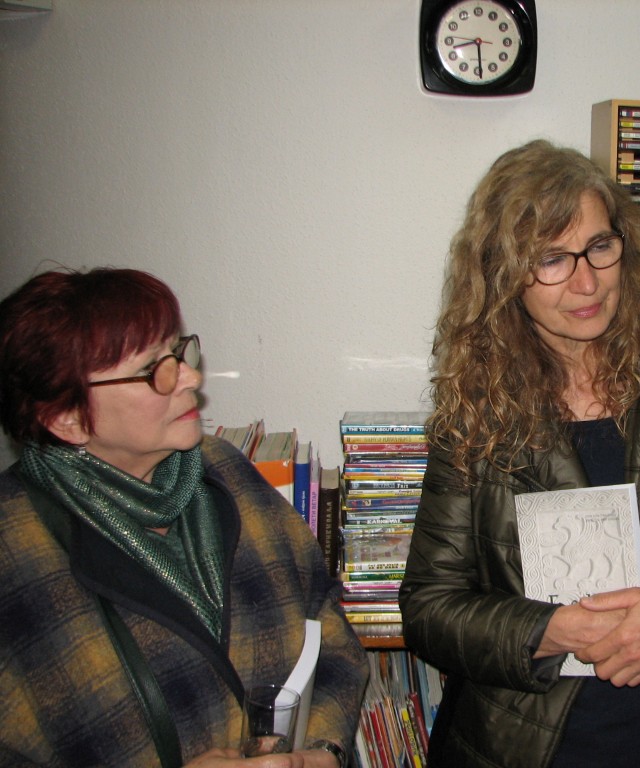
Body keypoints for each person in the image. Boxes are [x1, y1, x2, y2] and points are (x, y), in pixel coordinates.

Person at [398, 139, 640, 768]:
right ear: (502, 274)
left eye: (600, 247)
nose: (586, 282)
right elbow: (429, 607)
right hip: (520, 746)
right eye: (551, 259)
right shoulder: (479, 399)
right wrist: (549, 630)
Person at [0, 267, 368, 767]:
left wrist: (323, 749)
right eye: (154, 369)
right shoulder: (15, 548)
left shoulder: (225, 470)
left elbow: (325, 622)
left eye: (178, 352)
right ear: (67, 418)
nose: (191, 377)